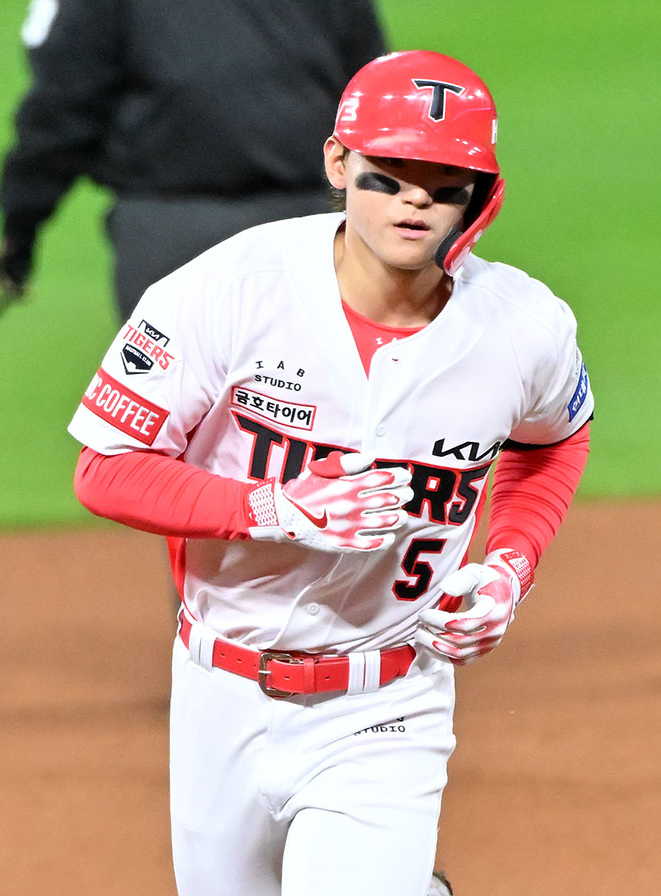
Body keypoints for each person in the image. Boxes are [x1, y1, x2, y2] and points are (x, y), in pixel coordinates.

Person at [66, 50, 593, 896]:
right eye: (390, 174)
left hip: (390, 697)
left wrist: (510, 566)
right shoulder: (230, 291)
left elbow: (556, 439)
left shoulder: (523, 329)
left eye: (446, 180)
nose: (417, 198)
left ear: (479, 192)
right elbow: (106, 469)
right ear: (338, 163)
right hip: (218, 693)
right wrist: (274, 506)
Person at [0, 0, 387, 324]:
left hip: (170, 231)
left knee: (176, 417)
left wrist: (21, 223)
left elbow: (63, 108)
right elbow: (370, 95)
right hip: (312, 225)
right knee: (313, 411)